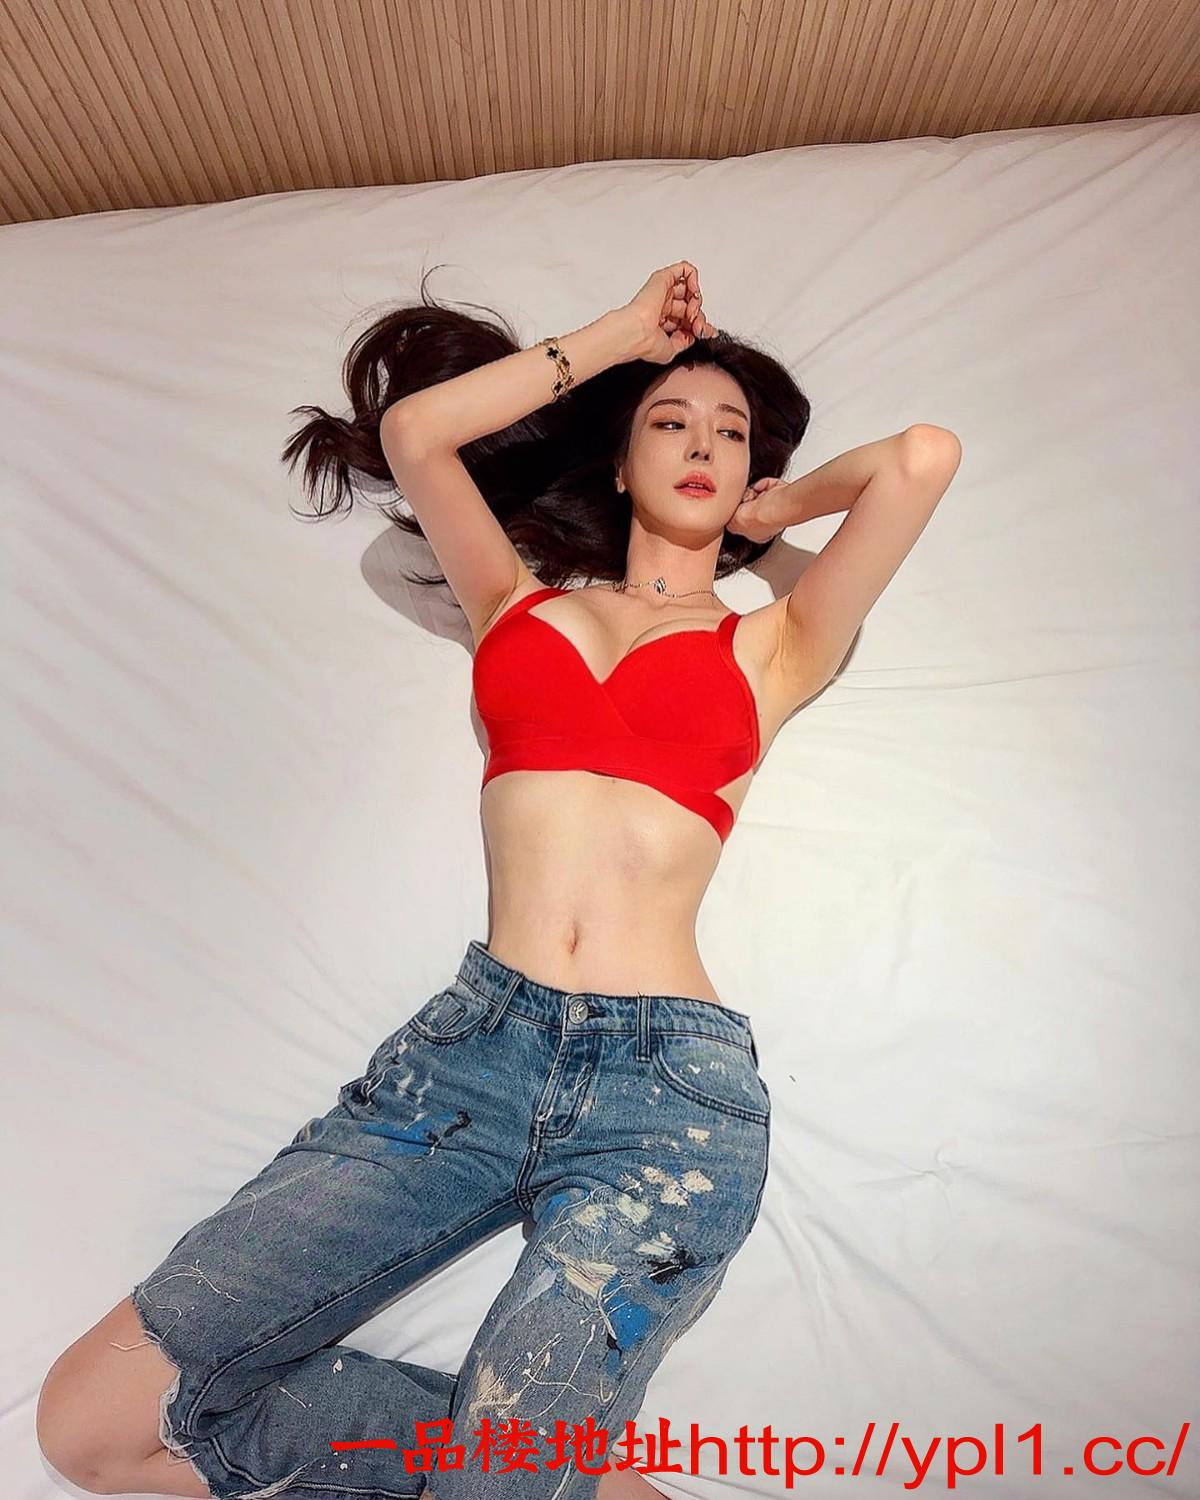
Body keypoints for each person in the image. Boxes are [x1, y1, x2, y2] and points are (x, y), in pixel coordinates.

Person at [36, 262, 960, 1499]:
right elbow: (418, 435)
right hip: (468, 1061)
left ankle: (521, 1471)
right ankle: (549, 1475)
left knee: (497, 1478)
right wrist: (621, 335)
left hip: (667, 1104)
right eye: (670, 423)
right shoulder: (511, 608)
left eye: (729, 433)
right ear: (619, 464)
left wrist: (774, 510)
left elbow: (920, 460)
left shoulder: (776, 645)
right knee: (89, 1424)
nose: (701, 445)